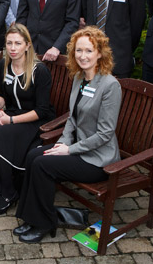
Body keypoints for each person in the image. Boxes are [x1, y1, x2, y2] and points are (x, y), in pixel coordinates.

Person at [14, 27, 121, 243]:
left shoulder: (110, 85)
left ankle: (44, 223)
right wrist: (62, 143)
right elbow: (72, 118)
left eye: (89, 51)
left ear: (100, 53)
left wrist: (68, 149)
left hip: (98, 160)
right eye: (79, 50)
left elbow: (105, 134)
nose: (83, 56)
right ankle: (31, 216)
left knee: (43, 165)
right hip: (76, 148)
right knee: (33, 156)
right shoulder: (79, 78)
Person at [0, 24, 54, 215]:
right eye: (9, 43)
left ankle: (7, 192)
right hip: (11, 114)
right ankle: (3, 188)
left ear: (27, 45)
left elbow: (42, 110)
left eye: (17, 43)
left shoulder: (39, 71)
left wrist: (11, 121)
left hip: (34, 120)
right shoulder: (3, 64)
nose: (13, 48)